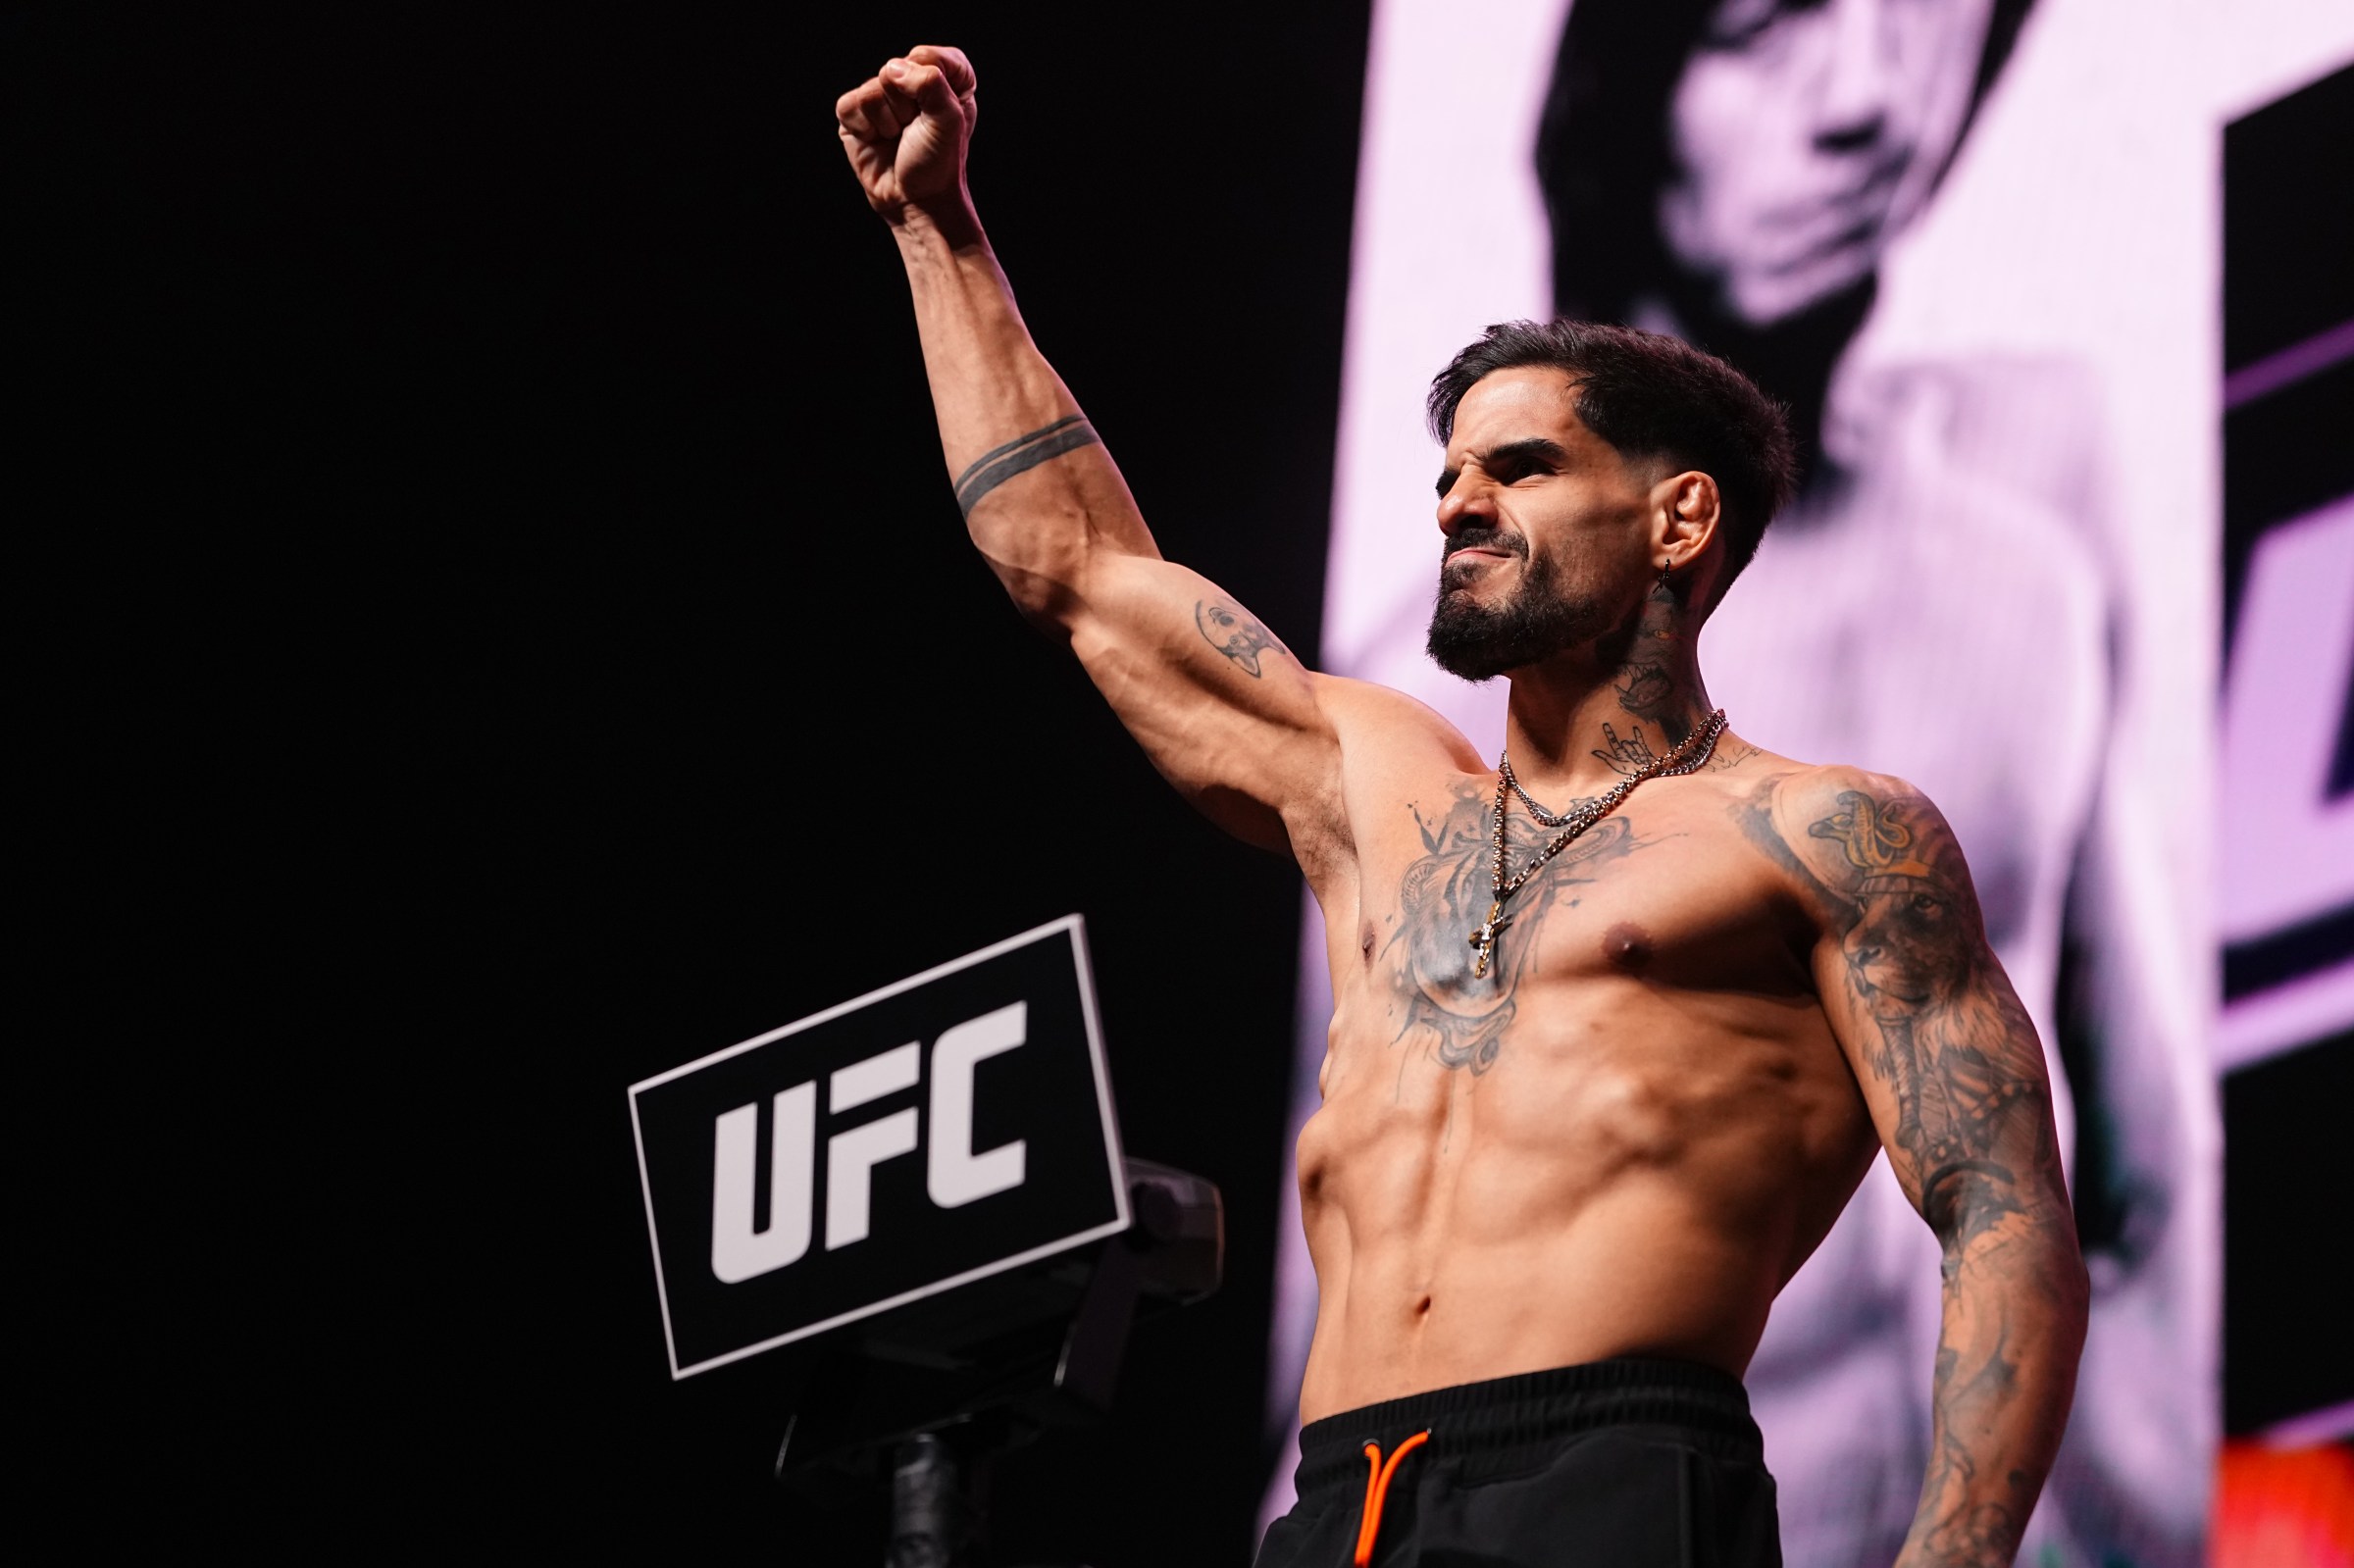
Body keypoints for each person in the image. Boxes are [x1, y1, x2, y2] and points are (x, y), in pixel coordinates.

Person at [836, 44, 2086, 1568]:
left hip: (1615, 1476)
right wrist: (938, 234)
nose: (1456, 503)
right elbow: (1080, 570)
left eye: (1521, 466)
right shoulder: (1378, 790)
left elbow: (2003, 1212)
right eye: (1447, 474)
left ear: (1677, 515)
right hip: (1341, 1501)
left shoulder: (1827, 837)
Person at [1524, 3, 2213, 1563]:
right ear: (1630, 91)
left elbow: (2140, 1180)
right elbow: (1349, 1333)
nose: (1870, 108)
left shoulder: (2018, 585)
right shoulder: (1450, 699)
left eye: (1918, 21)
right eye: (1766, 29)